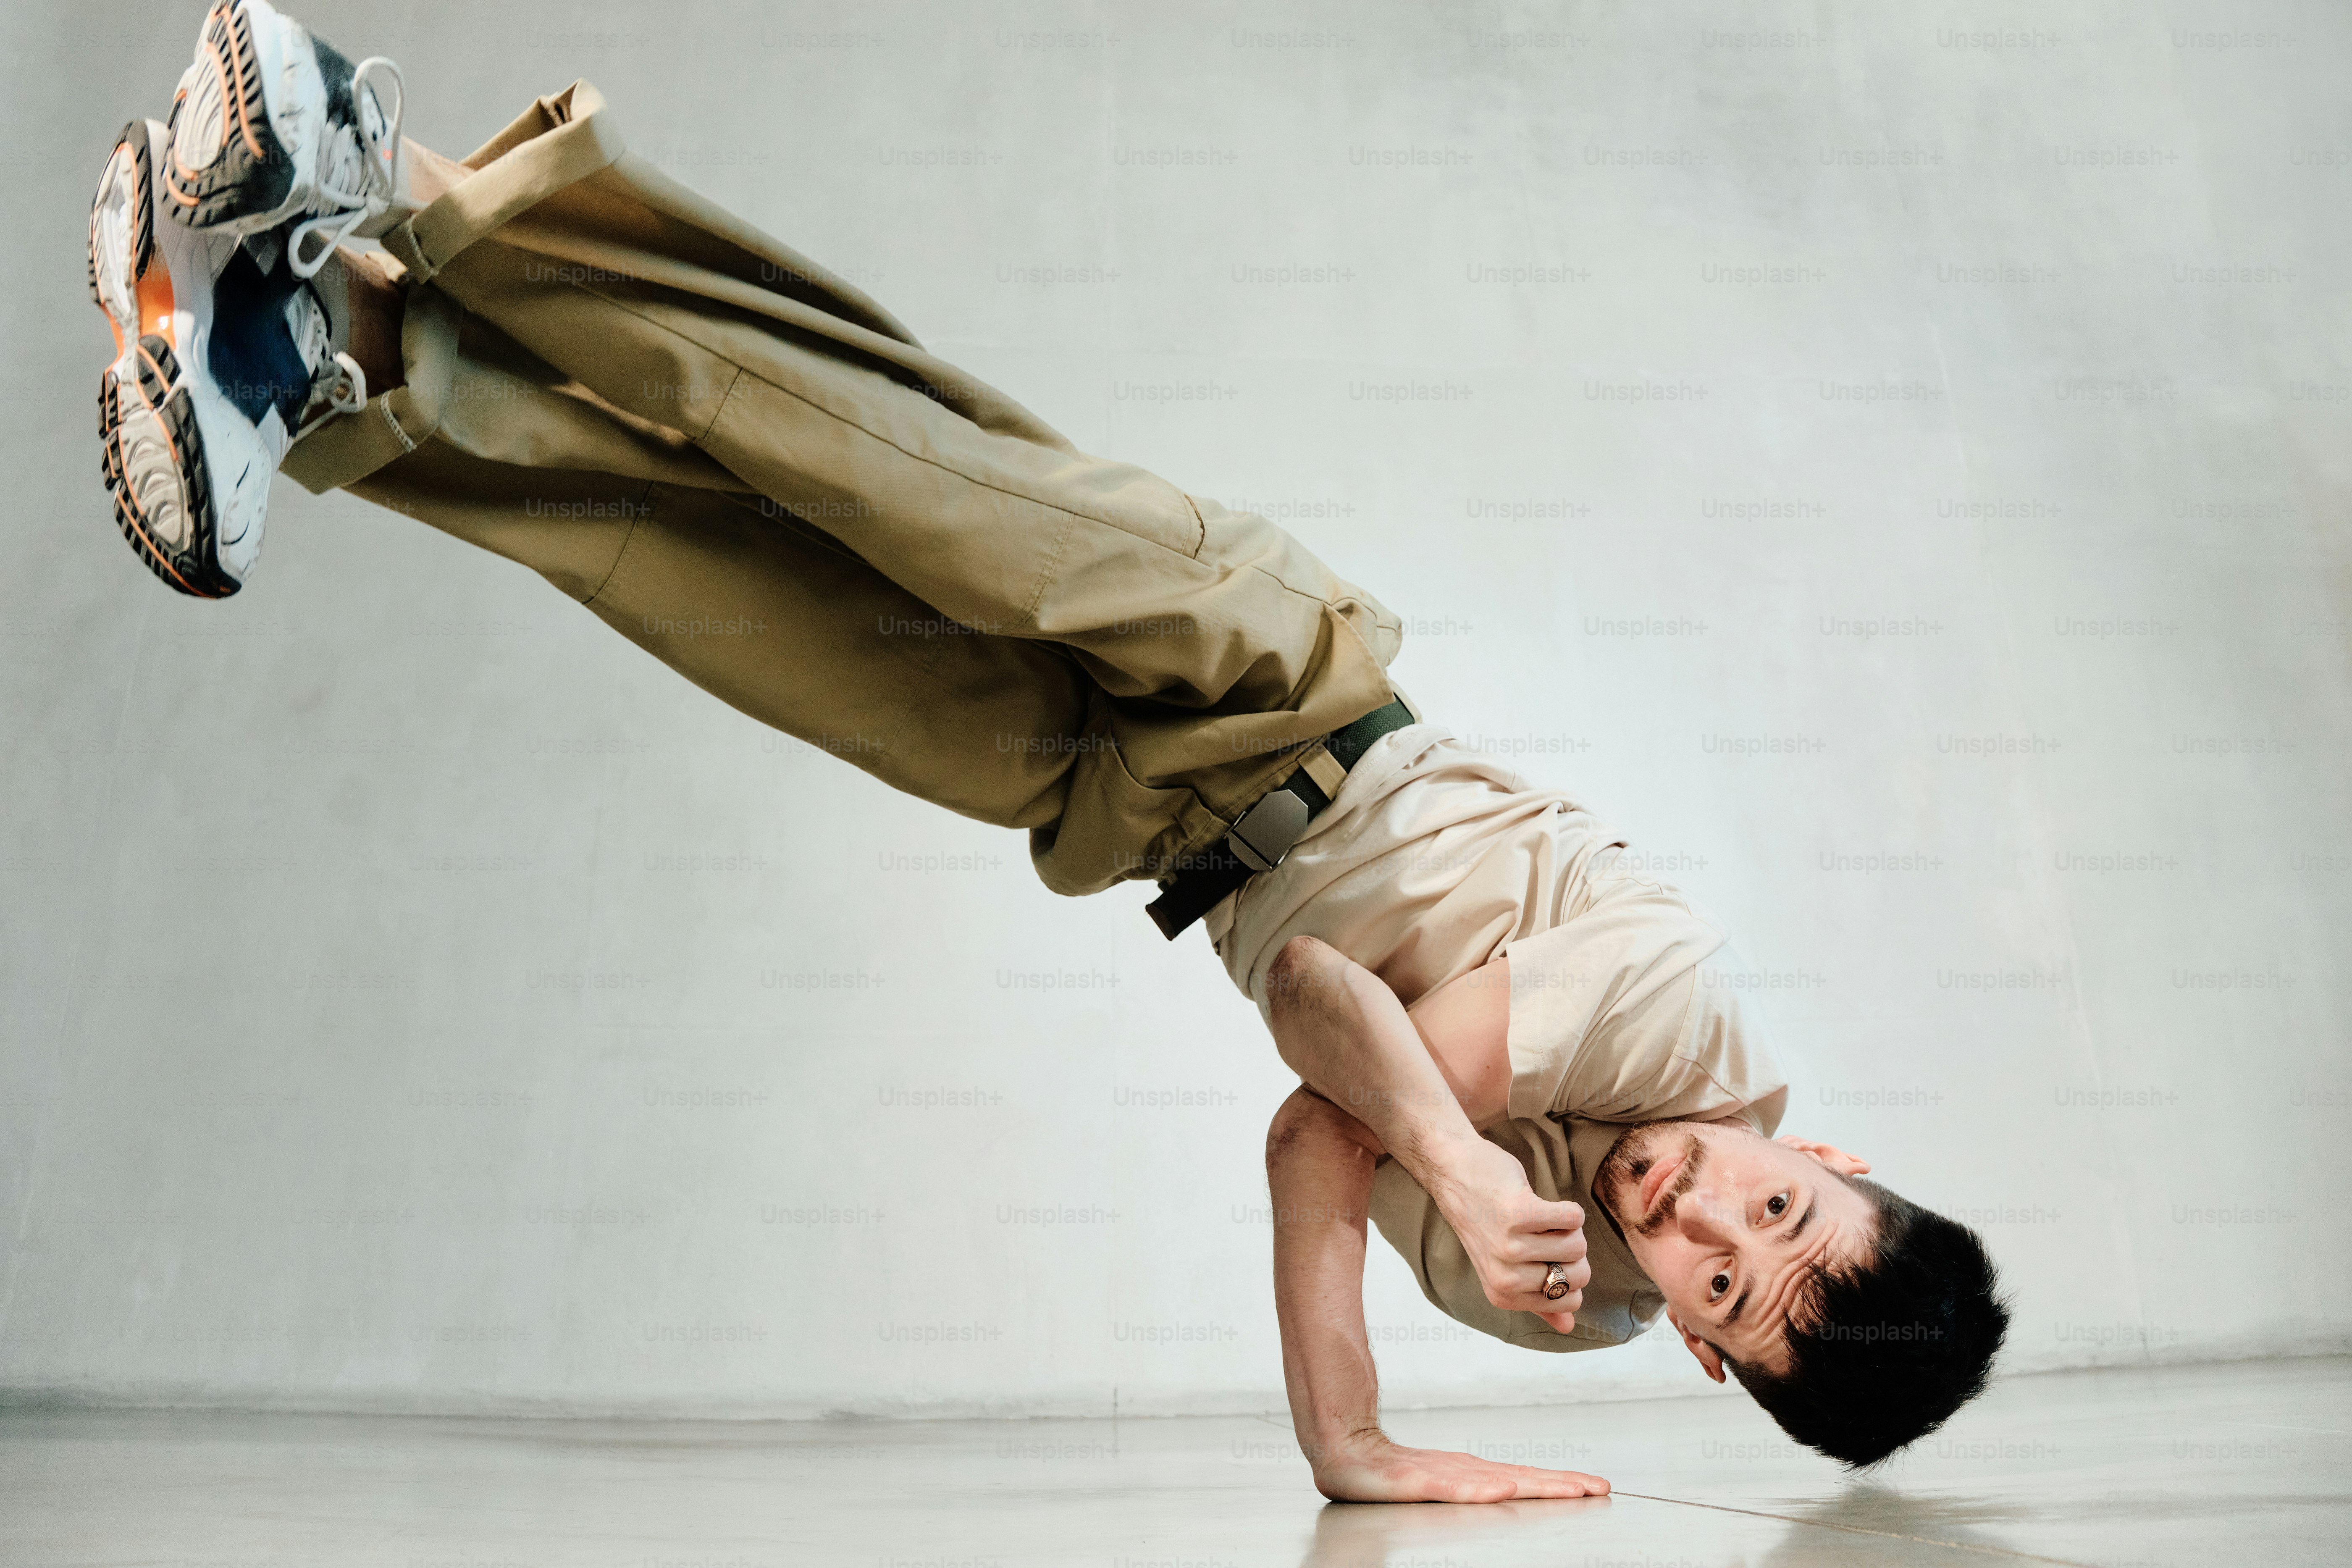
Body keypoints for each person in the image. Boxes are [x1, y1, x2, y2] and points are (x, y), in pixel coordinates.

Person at [86, 0, 2009, 1504]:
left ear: (1691, 1351)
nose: (1697, 1219)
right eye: (1772, 1207)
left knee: (719, 589)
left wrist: (1348, 1441)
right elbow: (1344, 1020)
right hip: (1276, 683)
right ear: (1817, 1154)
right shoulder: (1671, 1009)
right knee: (844, 441)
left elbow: (1302, 1129)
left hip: (1136, 817)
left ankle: (302, 352)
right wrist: (1430, 1137)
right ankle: (364, 144)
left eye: (1723, 1291)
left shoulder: (1558, 1299)